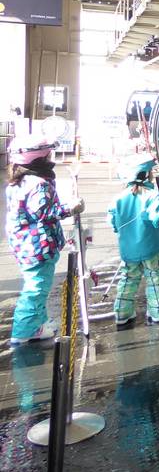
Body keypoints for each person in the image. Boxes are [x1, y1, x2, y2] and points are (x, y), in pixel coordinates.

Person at [5, 134, 84, 346]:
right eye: (48, 155)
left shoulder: (18, 182)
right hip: (37, 246)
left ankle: (38, 322)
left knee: (38, 285)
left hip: (24, 244)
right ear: (40, 158)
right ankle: (24, 330)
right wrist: (71, 207)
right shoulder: (39, 184)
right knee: (36, 288)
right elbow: (44, 212)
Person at [109, 153, 159, 328]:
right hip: (151, 249)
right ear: (145, 174)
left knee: (128, 280)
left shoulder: (118, 199)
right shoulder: (151, 196)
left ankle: (122, 314)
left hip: (128, 251)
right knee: (155, 280)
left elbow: (113, 224)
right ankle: (156, 313)